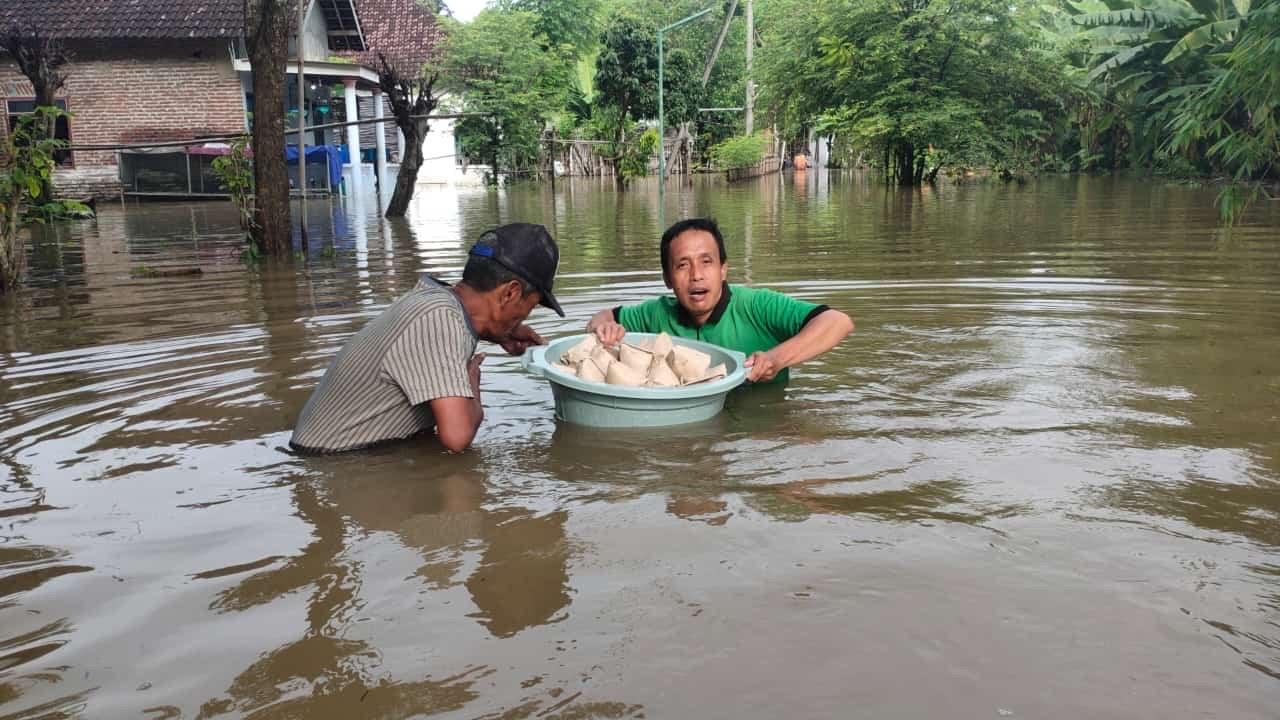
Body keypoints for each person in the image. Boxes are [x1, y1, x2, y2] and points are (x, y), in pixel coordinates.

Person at [291, 223, 563, 454]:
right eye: (531, 306)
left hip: (347, 454)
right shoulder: (440, 319)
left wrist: (501, 332)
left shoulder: (435, 300)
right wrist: (472, 390)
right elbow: (457, 437)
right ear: (510, 293)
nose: (525, 316)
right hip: (336, 463)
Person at [586, 217, 853, 384]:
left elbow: (837, 321)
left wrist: (775, 359)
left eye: (707, 262)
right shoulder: (657, 314)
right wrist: (604, 328)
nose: (696, 275)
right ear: (667, 278)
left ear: (723, 269)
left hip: (761, 438)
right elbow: (604, 317)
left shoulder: (758, 306)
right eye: (682, 265)